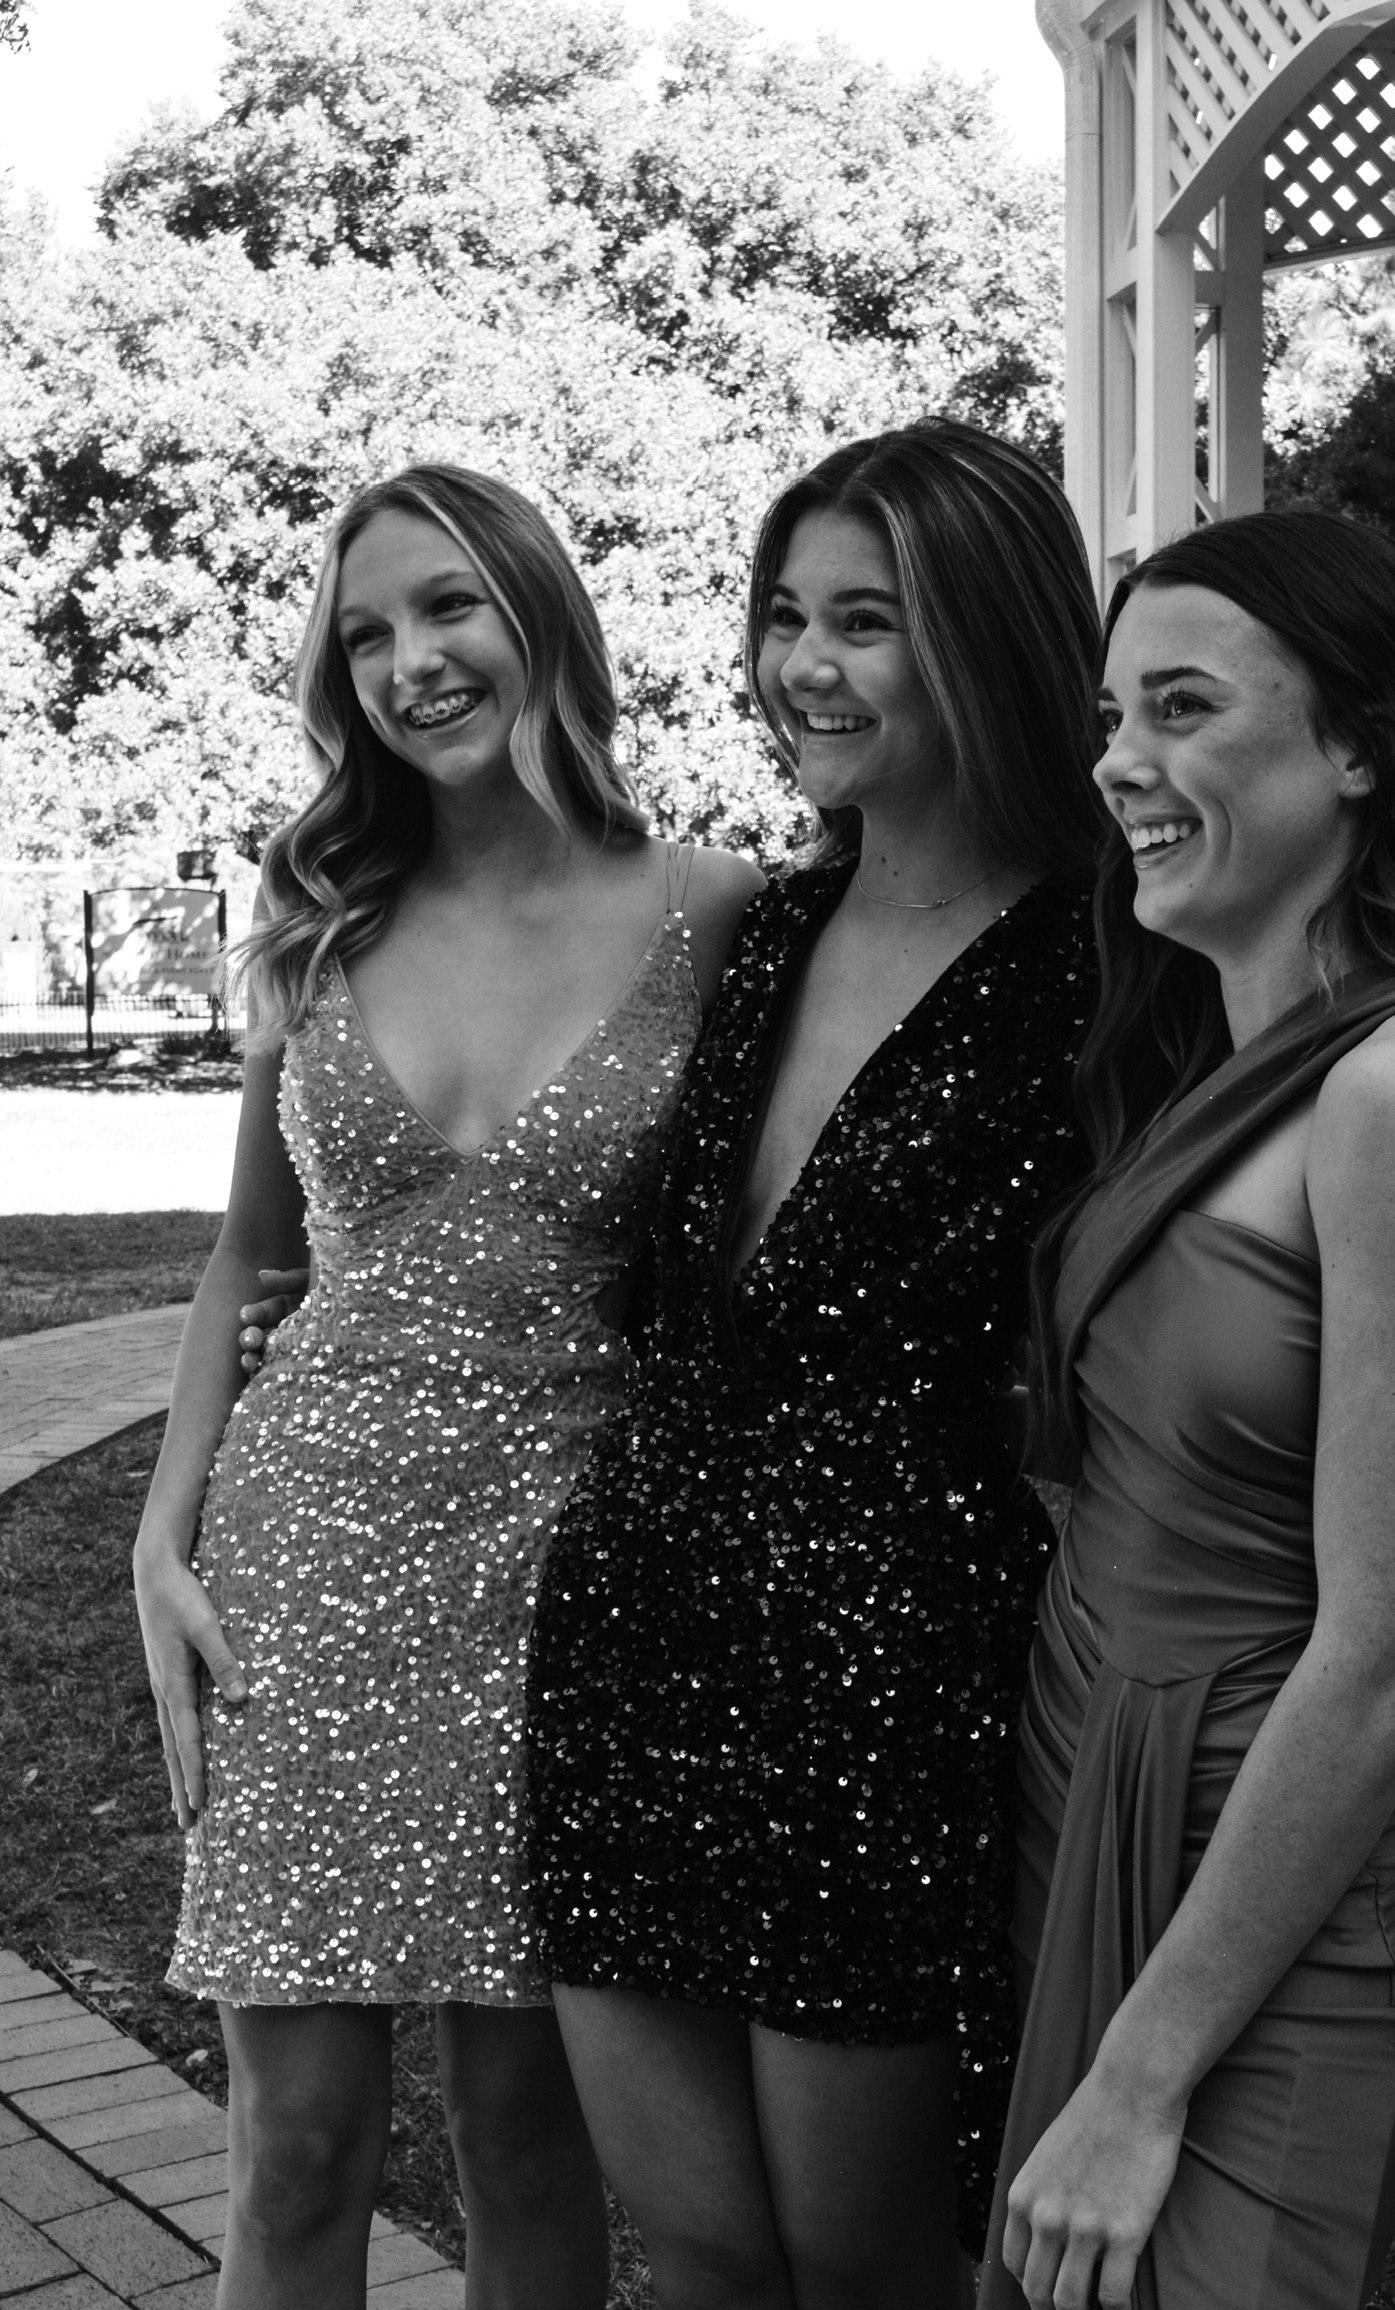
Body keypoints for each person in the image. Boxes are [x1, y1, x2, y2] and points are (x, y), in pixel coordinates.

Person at [131, 462, 760, 2310]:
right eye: (368, 633)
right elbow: (251, 1262)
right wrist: (163, 1534)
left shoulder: (720, 914)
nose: (412, 660)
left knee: (528, 2140)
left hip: (566, 1589)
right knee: (299, 2146)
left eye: (449, 606)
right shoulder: (318, 906)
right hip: (303, 1563)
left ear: (540, 609)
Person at [523, 417, 1109, 2306]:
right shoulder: (763, 932)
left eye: (867, 619)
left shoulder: (1116, 960)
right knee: (694, 2250)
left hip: (893, 1661)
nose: (805, 668)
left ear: (991, 637)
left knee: (862, 2260)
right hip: (639, 1622)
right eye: (788, 616)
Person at [982, 509, 1395, 2310]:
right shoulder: (1207, 1065)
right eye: (1113, 713)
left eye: (1187, 709)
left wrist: (1142, 2077)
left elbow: (1387, 1650)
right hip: (1100, 1797)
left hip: (1273, 1889)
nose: (1121, 762)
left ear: (1362, 743)